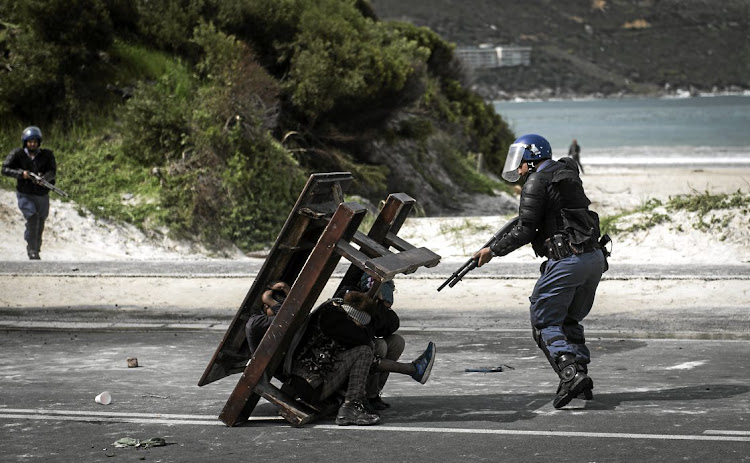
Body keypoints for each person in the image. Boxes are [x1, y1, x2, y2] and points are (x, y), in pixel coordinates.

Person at [474, 133, 607, 408]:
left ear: (532, 159)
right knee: (569, 321)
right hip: (594, 258)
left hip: (567, 260)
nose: (519, 169)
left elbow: (525, 229)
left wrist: (492, 251)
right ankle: (581, 378)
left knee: (545, 321)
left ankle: (569, 373)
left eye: (520, 162)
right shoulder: (566, 173)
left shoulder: (537, 180)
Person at [287, 290, 435, 426]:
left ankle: (412, 370)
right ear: (353, 319)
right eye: (360, 325)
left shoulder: (341, 312)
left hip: (323, 375)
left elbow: (386, 325)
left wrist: (382, 305)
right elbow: (365, 339)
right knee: (364, 352)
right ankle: (351, 407)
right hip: (312, 385)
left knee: (370, 349)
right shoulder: (333, 320)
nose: (362, 328)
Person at [2, 126, 58, 260]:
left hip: (42, 194)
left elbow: (52, 171)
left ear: (39, 142)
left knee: (40, 220)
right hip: (25, 194)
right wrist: (23, 174)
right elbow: (5, 169)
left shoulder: (47, 155)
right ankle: (31, 249)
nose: (32, 144)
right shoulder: (17, 154)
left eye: (35, 141)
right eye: (29, 141)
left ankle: (37, 246)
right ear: (25, 142)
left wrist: (44, 179)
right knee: (32, 218)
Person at [357, 274, 404, 410]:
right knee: (380, 346)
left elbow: (390, 325)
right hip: (355, 351)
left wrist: (383, 308)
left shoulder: (380, 309)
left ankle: (374, 392)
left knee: (397, 342)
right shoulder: (357, 300)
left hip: (365, 345)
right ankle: (367, 395)